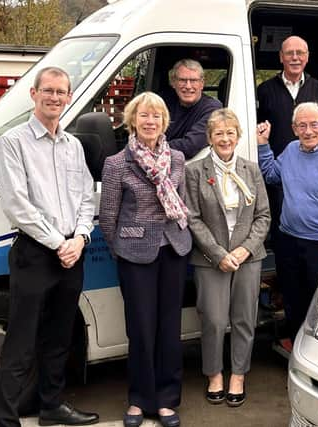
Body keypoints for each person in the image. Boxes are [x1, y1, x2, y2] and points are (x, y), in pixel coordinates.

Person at [0, 66, 99, 427]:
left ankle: (51, 408)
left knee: (59, 338)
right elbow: (16, 205)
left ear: (69, 97)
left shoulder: (73, 146)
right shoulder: (13, 142)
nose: (55, 97)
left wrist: (81, 237)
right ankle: (6, 420)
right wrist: (59, 243)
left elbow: (87, 197)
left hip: (72, 252)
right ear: (33, 94)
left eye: (61, 92)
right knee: (21, 343)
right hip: (36, 254)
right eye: (48, 90)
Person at [100, 92, 191, 427]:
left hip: (174, 250)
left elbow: (181, 205)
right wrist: (120, 249)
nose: (150, 121)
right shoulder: (117, 163)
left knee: (169, 327)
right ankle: (139, 399)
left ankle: (167, 400)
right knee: (140, 328)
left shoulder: (178, 159)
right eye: (144, 116)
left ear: (164, 121)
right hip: (135, 254)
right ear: (132, 121)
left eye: (156, 116)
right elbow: (108, 217)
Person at [185, 109, 270, 408]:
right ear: (209, 138)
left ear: (238, 136)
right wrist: (219, 254)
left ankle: (238, 374)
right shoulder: (194, 172)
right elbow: (192, 218)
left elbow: (263, 216)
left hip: (248, 256)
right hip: (210, 258)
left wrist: (244, 249)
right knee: (214, 320)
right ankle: (214, 374)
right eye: (218, 133)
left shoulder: (251, 170)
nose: (225, 138)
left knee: (244, 319)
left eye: (230, 133)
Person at [257, 102, 318, 343]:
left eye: (314, 124)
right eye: (302, 125)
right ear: (294, 128)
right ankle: (296, 343)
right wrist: (262, 145)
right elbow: (271, 174)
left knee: (317, 300)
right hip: (288, 240)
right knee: (292, 296)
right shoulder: (291, 150)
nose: (309, 131)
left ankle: (316, 348)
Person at [256, 36, 318, 336]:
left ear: (307, 57)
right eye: (290, 53)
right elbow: (260, 130)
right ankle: (292, 326)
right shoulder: (266, 90)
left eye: (300, 52)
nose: (295, 57)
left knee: (312, 274)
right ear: (281, 58)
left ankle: (309, 330)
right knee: (284, 243)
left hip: (310, 178)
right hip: (279, 173)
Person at [164, 59, 223, 159]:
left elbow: (190, 146)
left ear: (202, 83)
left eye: (193, 81)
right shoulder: (163, 102)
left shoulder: (213, 109)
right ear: (173, 83)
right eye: (182, 80)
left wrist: (151, 148)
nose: (188, 86)